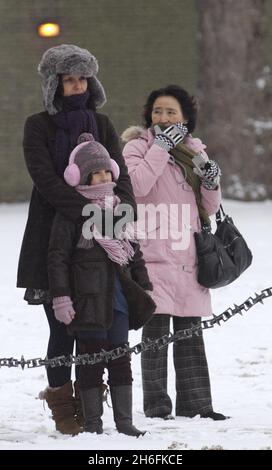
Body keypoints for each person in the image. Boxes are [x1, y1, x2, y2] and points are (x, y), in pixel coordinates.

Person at [17, 44, 137, 435]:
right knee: (61, 329)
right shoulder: (38, 125)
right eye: (69, 79)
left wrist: (122, 210)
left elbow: (120, 175)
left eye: (83, 78)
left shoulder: (102, 124)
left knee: (96, 328)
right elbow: (45, 179)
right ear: (55, 84)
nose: (77, 85)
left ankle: (91, 404)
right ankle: (62, 406)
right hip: (51, 238)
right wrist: (87, 211)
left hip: (100, 244)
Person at [121, 84, 228, 421]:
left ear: (185, 118)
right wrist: (160, 148)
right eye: (157, 112)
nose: (163, 118)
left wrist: (212, 182)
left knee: (190, 334)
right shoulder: (136, 148)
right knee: (155, 335)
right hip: (152, 253)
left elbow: (207, 208)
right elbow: (136, 186)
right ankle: (157, 406)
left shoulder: (196, 151)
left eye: (171, 112)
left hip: (188, 254)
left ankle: (197, 405)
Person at [47, 133, 155, 436]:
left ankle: (124, 422)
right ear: (80, 176)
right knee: (90, 361)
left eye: (107, 171)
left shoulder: (120, 211)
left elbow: (134, 253)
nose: (103, 177)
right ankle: (93, 423)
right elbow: (57, 258)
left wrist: (143, 285)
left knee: (121, 359)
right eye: (96, 173)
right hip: (87, 300)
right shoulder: (72, 215)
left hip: (119, 300)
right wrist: (62, 298)